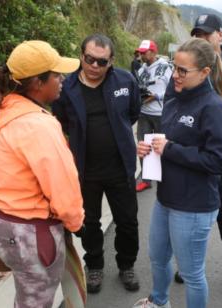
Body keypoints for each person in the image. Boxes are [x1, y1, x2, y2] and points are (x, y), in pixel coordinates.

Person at [133, 38, 222, 308]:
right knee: (157, 258)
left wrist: (169, 149)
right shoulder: (173, 97)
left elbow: (221, 162)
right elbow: (167, 140)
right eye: (173, 67)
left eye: (182, 71)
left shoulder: (215, 108)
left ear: (204, 72)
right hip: (166, 198)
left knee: (192, 274)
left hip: (194, 206)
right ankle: (158, 301)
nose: (174, 75)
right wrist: (150, 148)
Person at [0, 40, 85, 308]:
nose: (62, 79)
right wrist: (76, 222)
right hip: (31, 233)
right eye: (56, 74)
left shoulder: (1, 108)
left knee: (26, 298)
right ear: (38, 83)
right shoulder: (38, 125)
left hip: (2, 223)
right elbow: (63, 187)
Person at [170, 13, 222, 299]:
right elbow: (176, 101)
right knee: (193, 216)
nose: (202, 38)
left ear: (220, 35)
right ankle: (191, 266)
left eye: (207, 34)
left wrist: (215, 135)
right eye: (197, 33)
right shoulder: (185, 68)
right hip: (192, 154)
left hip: (220, 155)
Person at [52, 34, 141, 294]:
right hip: (84, 172)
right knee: (89, 223)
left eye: (101, 62)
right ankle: (95, 266)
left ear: (111, 61)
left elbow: (133, 112)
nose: (94, 66)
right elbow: (61, 122)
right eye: (89, 59)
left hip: (120, 168)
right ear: (81, 56)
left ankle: (126, 265)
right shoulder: (66, 87)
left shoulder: (125, 80)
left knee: (127, 222)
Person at [135, 40, 173, 192]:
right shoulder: (140, 69)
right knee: (143, 147)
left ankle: (168, 178)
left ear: (153, 52)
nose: (142, 55)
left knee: (162, 147)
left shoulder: (166, 67)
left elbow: (173, 89)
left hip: (160, 113)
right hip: (143, 113)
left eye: (145, 52)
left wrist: (156, 96)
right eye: (141, 52)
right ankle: (146, 180)